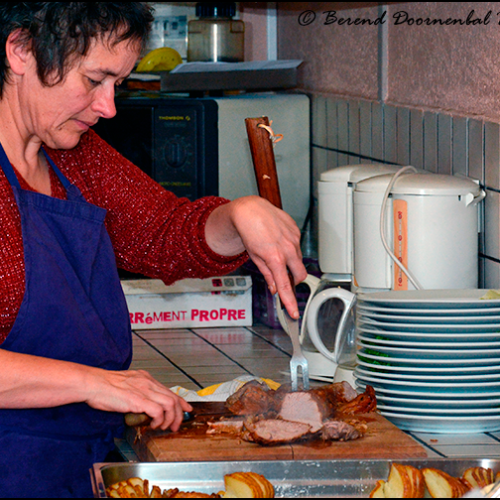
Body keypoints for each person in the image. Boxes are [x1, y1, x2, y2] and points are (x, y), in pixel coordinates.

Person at [0, 3, 306, 498]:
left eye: (117, 84)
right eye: (94, 80)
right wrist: (95, 382)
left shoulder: (75, 158)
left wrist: (238, 216)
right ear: (21, 50)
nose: (108, 107)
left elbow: (164, 234)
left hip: (79, 463)